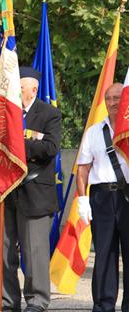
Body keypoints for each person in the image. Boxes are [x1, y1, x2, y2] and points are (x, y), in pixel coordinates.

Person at [0, 67, 61, 312]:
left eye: (17, 87)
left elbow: (49, 148)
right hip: (4, 191)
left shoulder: (49, 114)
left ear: (33, 89)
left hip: (34, 191)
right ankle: (6, 300)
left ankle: (37, 300)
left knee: (34, 250)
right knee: (3, 250)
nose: (12, 92)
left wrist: (18, 144)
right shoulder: (0, 114)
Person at [77, 83, 129, 312]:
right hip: (102, 198)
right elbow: (83, 169)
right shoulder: (94, 132)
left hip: (127, 197)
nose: (113, 102)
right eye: (109, 98)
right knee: (105, 253)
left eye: (118, 97)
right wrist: (82, 199)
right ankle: (103, 305)